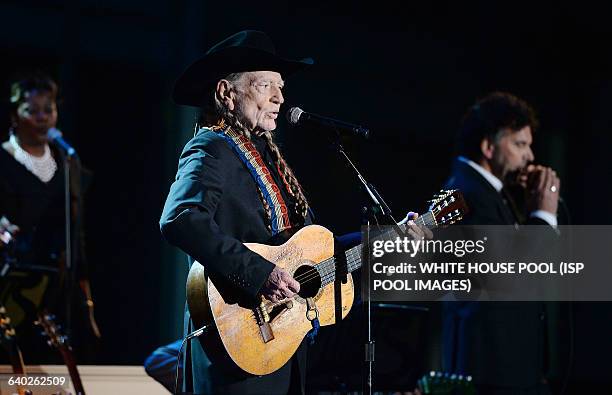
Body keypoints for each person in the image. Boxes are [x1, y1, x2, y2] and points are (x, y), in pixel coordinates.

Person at [160, 30, 427, 394]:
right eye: (266, 85)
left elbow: (319, 255)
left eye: (281, 86)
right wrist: (260, 273)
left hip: (280, 345)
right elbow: (180, 218)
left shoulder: (272, 160)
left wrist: (391, 237)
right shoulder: (211, 147)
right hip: (236, 341)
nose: (280, 97)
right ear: (226, 93)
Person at [442, 92, 560, 394]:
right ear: (488, 147)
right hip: (493, 372)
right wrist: (544, 214)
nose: (530, 156)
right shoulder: (467, 194)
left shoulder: (488, 192)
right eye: (520, 144)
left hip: (507, 369)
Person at [0, 73, 98, 363]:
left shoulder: (68, 164)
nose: (42, 118)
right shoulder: (4, 161)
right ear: (15, 115)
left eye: (49, 109)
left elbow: (76, 235)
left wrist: (87, 302)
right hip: (15, 284)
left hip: (58, 287)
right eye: (32, 110)